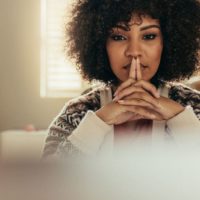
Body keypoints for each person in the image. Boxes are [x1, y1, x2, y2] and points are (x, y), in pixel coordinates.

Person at [42, 0, 200, 159]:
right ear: (101, 44)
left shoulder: (193, 105)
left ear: (167, 42)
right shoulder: (78, 111)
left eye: (149, 36)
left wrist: (181, 119)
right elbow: (46, 180)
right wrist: (99, 122)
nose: (134, 51)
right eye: (118, 37)